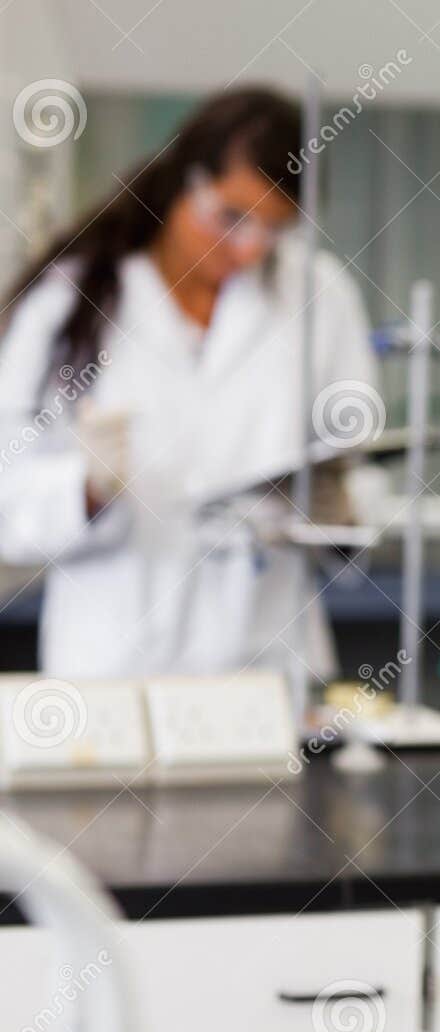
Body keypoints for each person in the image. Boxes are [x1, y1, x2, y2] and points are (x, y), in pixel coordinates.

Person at [0, 87, 376, 678]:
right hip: (112, 666)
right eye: (231, 218)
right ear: (184, 181)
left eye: (275, 229)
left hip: (268, 661)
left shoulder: (319, 294)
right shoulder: (69, 300)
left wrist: (336, 506)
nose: (249, 249)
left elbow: (362, 465)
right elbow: (7, 502)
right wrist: (86, 490)